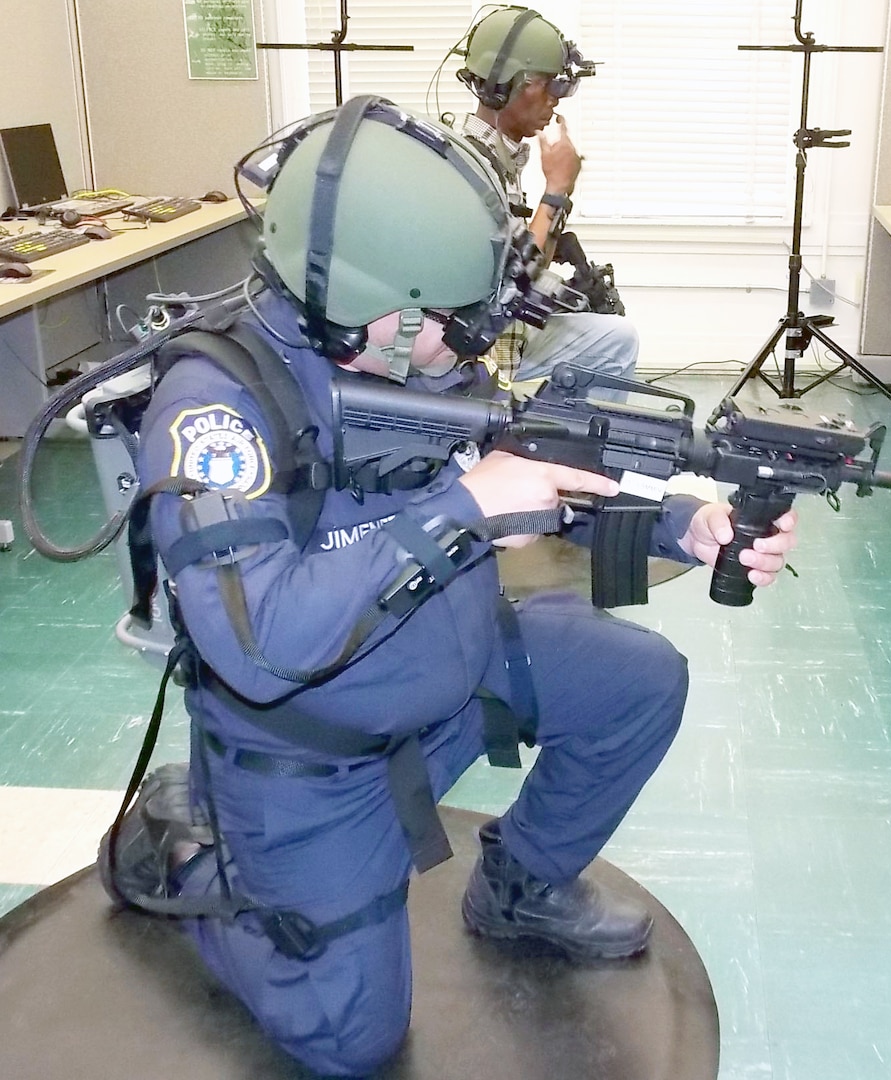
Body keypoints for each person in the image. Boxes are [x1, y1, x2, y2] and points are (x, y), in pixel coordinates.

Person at [128, 97, 798, 1078]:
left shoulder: (401, 357)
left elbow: (530, 474)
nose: (474, 339)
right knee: (350, 1043)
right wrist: (464, 511)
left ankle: (520, 886)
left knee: (638, 679)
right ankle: (187, 848)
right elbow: (261, 645)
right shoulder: (215, 408)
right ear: (375, 305)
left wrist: (682, 524)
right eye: (452, 315)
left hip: (445, 663)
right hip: (309, 750)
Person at [454, 5, 640, 386]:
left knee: (614, 332)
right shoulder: (469, 165)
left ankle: (570, 437)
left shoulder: (499, 153)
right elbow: (512, 279)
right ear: (507, 85)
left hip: (503, 328)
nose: (557, 98)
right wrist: (556, 188)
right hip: (483, 347)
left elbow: (521, 251)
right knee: (617, 344)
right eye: (550, 84)